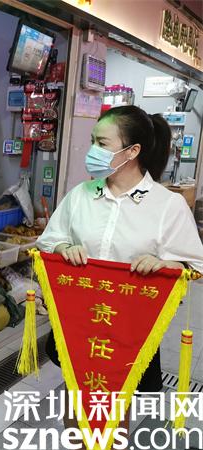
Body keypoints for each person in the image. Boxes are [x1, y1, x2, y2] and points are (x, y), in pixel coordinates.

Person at [36, 105, 203, 437]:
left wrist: (169, 264)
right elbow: (49, 240)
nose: (92, 150)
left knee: (115, 406)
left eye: (102, 143)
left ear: (132, 151)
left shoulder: (166, 206)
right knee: (76, 395)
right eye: (93, 141)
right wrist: (63, 247)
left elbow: (195, 265)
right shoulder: (80, 196)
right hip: (78, 323)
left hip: (130, 328)